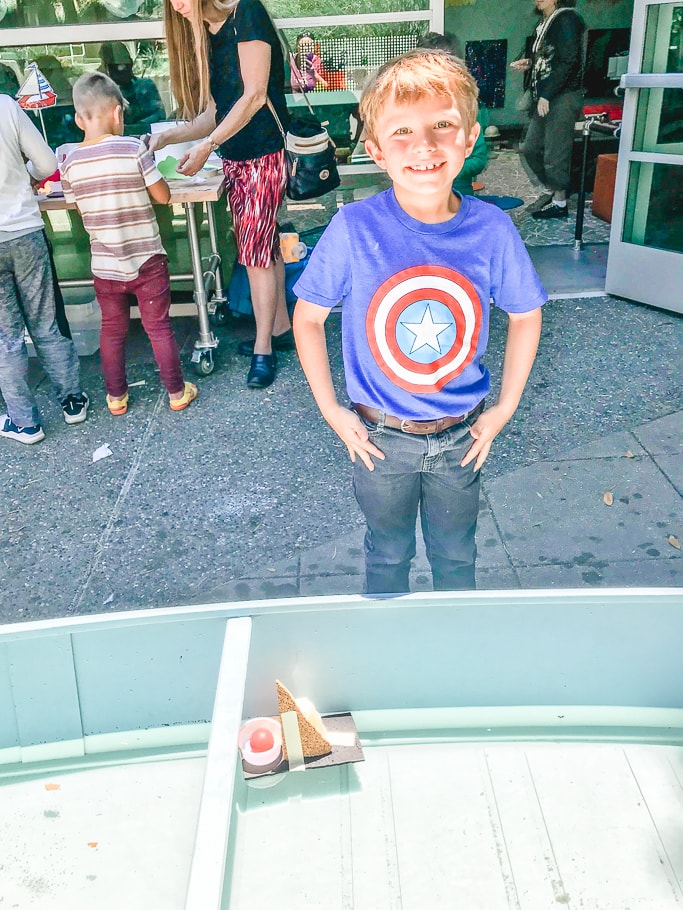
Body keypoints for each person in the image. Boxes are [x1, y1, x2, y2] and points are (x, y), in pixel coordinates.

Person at [293, 49, 546, 594]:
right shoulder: (354, 228)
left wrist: (505, 408)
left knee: (457, 555)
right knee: (387, 552)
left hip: (462, 435)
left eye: (443, 125)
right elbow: (307, 318)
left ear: (470, 136)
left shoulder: (492, 229)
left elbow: (527, 313)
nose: (425, 146)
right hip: (380, 438)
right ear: (376, 149)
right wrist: (332, 411)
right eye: (402, 131)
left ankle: (454, 655)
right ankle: (390, 654)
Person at [150, 0, 292, 390]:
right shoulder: (206, 36)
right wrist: (167, 136)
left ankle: (264, 348)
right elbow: (216, 110)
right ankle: (279, 328)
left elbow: (255, 96)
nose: (178, 4)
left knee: (255, 252)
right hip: (236, 157)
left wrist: (208, 145)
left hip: (265, 152)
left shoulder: (246, 11)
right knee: (263, 245)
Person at [61, 72, 198, 416]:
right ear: (119, 113)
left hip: (106, 265)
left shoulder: (70, 162)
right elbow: (163, 196)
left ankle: (116, 398)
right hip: (146, 259)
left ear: (79, 119)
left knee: (112, 330)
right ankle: (177, 391)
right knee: (158, 327)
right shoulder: (133, 148)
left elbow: (77, 206)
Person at [0, 95, 88, 445]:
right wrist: (28, 175)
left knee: (5, 338)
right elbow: (47, 162)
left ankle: (25, 423)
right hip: (25, 231)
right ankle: (72, 402)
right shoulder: (6, 106)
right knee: (45, 322)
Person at [510, 0, 585, 219]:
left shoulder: (567, 19)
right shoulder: (545, 23)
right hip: (547, 96)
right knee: (530, 148)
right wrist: (530, 63)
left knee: (555, 151)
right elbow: (550, 59)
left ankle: (560, 202)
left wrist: (547, 94)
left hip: (561, 96)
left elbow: (569, 61)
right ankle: (554, 188)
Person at [416, 31, 490, 197]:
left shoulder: (467, 104)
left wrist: (442, 170)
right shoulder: (408, 106)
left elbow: (478, 159)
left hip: (458, 196)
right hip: (417, 199)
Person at [99, 41, 167, 136]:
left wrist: (135, 126)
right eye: (117, 65)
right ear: (105, 67)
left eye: (125, 62)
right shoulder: (99, 92)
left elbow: (159, 115)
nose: (122, 68)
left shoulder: (145, 86)